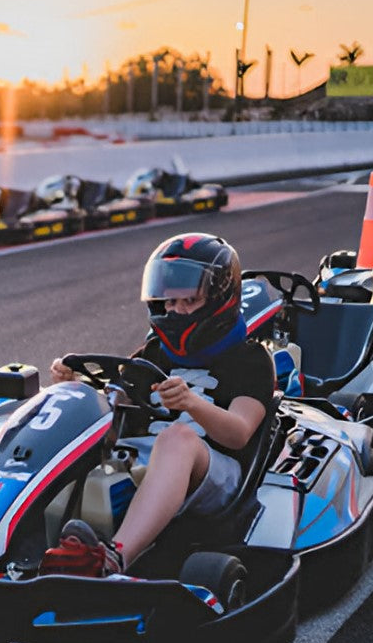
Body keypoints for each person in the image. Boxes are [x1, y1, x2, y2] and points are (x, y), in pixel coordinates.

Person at [39, 233, 275, 578]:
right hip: (141, 457)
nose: (175, 311)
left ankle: (115, 558)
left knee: (177, 438)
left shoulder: (250, 359)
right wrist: (74, 388)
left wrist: (193, 404)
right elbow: (115, 406)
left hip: (217, 474)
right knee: (65, 418)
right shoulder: (153, 353)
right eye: (169, 302)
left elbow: (240, 434)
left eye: (188, 301)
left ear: (219, 299)